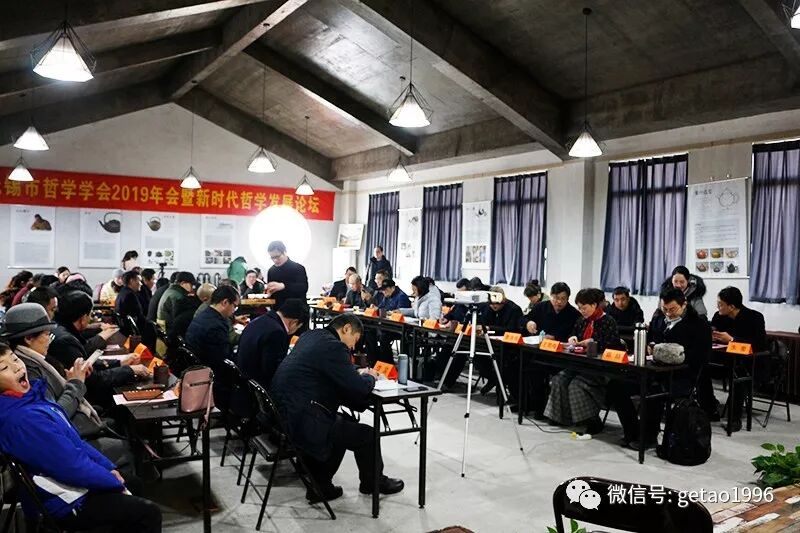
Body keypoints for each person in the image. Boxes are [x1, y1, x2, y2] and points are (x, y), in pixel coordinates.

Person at [0, 345, 162, 533]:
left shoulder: (30, 399)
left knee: (133, 483)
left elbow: (75, 443)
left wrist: (108, 468)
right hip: (64, 501)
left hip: (70, 483)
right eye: (4, 367)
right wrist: (111, 481)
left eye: (14, 359)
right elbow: (70, 465)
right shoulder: (23, 420)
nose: (17, 367)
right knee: (149, 513)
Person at [270, 314, 403, 502]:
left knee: (343, 422)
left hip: (283, 413)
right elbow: (358, 387)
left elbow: (331, 371)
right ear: (346, 328)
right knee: (367, 435)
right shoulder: (334, 346)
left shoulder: (312, 336)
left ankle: (321, 485)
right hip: (303, 420)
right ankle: (373, 483)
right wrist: (370, 376)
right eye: (355, 340)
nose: (353, 347)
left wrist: (354, 373)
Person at [609, 288, 711, 448]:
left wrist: (672, 355)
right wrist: (650, 346)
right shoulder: (658, 320)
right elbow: (650, 340)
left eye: (673, 309)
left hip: (679, 376)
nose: (668, 313)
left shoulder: (698, 325)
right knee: (617, 385)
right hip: (651, 371)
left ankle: (648, 437)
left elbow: (701, 356)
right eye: (665, 309)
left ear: (684, 304)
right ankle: (633, 431)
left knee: (653, 391)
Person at [544, 288, 621, 434]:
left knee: (577, 384)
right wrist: (572, 339)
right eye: (579, 308)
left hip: (599, 368)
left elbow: (613, 346)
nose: (582, 311)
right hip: (579, 364)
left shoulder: (608, 321)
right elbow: (574, 335)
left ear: (594, 305)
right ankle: (561, 417)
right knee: (559, 379)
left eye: (584, 308)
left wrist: (594, 343)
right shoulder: (581, 321)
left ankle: (591, 420)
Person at [50, 291, 147, 406]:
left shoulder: (58, 328)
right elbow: (94, 379)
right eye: (90, 315)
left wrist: (120, 362)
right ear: (83, 318)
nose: (90, 319)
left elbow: (87, 364)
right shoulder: (66, 341)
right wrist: (130, 370)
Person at [711, 286, 767, 432]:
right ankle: (709, 408)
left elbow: (758, 345)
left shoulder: (755, 317)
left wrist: (732, 339)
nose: (718, 307)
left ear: (731, 306)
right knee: (702, 367)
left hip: (750, 362)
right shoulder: (719, 316)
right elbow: (713, 331)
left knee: (739, 373)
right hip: (725, 358)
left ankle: (735, 419)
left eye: (720, 304)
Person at [185, 285, 239, 405]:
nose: (234, 310)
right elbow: (223, 360)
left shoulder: (204, 314)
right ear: (225, 302)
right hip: (211, 376)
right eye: (235, 306)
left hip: (197, 368)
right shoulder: (216, 325)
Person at [237, 298, 308, 390]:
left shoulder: (259, 320)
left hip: (243, 378)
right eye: (298, 327)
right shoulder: (276, 332)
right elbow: (272, 370)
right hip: (257, 386)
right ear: (294, 322)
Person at [266, 241, 309, 310]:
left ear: (284, 252)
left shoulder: (298, 268)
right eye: (272, 258)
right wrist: (268, 293)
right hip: (278, 310)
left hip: (297, 310)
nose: (275, 260)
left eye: (277, 257)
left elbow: (303, 288)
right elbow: (272, 295)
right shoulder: (271, 271)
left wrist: (283, 286)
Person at [115, 271, 145, 336]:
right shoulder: (130, 295)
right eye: (139, 281)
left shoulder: (123, 292)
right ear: (132, 281)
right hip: (131, 330)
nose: (141, 284)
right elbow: (139, 316)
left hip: (123, 327)